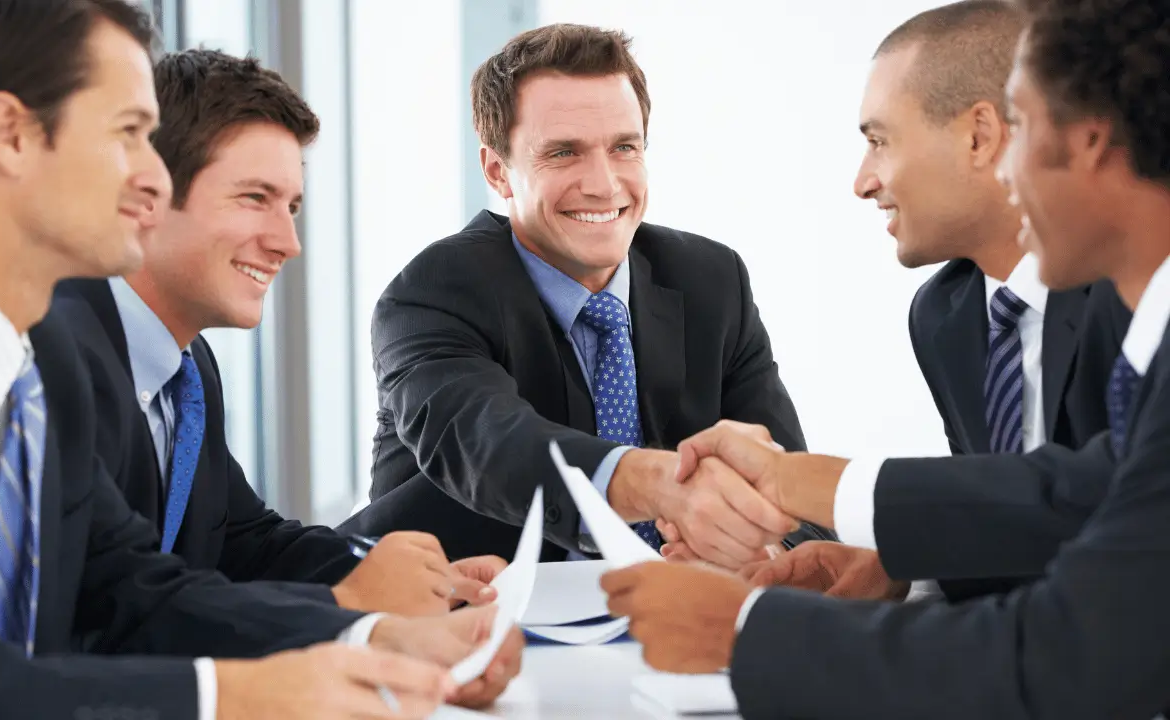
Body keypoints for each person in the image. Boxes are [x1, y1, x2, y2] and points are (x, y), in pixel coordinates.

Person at [0, 1, 515, 718]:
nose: (154, 182)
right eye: (129, 135)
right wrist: (235, 694)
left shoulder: (40, 363)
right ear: (10, 135)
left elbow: (132, 588)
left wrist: (371, 636)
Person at [603, 1, 1170, 716]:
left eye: (1019, 128)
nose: (1008, 168)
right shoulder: (951, 316)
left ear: (1086, 141)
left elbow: (1078, 646)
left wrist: (742, 630)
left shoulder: (1135, 315)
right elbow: (1067, 496)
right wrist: (895, 560)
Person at [665, 0, 1130, 603]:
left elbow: (1099, 510)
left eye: (879, 141)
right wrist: (901, 568)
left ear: (979, 137)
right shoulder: (946, 315)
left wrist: (797, 483)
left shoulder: (1131, 293)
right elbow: (1013, 528)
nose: (863, 181)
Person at [343, 23, 832, 565]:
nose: (603, 183)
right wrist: (662, 484)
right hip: (470, 618)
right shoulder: (434, 291)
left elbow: (795, 492)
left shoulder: (713, 279)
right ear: (498, 171)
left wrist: (764, 548)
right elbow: (494, 446)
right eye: (563, 153)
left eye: (624, 147)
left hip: (674, 620)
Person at [51, 47, 507, 619]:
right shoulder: (54, 356)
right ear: (148, 194)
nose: (287, 241)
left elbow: (247, 543)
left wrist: (409, 579)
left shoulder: (187, 368)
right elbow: (107, 611)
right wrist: (345, 606)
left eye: (291, 206)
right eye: (254, 198)